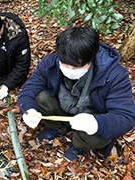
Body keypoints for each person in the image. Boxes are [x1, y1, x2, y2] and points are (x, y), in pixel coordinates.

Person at [17, 26, 135, 162]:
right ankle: (59, 129)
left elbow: (126, 116)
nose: (70, 69)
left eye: (77, 66)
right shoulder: (50, 62)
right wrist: (28, 110)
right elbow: (29, 89)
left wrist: (97, 124)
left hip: (92, 115)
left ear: (91, 58)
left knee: (98, 134)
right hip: (63, 109)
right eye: (65, 63)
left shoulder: (114, 75)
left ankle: (80, 144)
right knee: (41, 97)